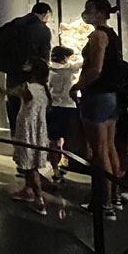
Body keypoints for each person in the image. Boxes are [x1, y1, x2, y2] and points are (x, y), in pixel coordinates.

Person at [70, 0, 123, 220]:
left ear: (100, 12)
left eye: (89, 9)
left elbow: (96, 69)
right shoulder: (112, 35)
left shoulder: (98, 36)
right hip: (110, 97)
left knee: (99, 151)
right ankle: (115, 196)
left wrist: (77, 86)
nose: (86, 13)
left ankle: (104, 203)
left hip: (97, 96)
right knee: (109, 147)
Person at [0, 2, 52, 136]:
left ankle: (16, 140)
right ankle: (31, 144)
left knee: (15, 111)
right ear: (46, 14)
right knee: (33, 115)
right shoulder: (42, 29)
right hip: (33, 77)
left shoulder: (14, 24)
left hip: (12, 75)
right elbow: (44, 55)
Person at [9, 57, 51, 215]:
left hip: (27, 129)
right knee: (31, 164)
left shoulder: (27, 87)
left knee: (31, 166)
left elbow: (14, 92)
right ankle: (28, 189)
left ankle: (39, 200)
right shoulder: (43, 88)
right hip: (38, 130)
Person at [47, 46, 80, 182]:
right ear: (65, 57)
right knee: (69, 138)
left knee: (53, 140)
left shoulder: (48, 70)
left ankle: (55, 169)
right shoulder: (69, 69)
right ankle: (66, 163)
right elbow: (81, 64)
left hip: (53, 107)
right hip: (68, 106)